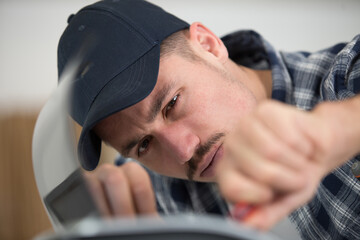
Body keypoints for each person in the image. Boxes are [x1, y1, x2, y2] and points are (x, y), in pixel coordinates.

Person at [57, 0, 360, 239]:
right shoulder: (153, 201)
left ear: (207, 44)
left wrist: (338, 127)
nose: (183, 151)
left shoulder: (345, 78)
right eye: (144, 145)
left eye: (171, 104)